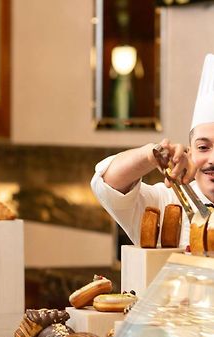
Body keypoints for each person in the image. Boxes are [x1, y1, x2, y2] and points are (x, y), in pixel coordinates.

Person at [91, 53, 214, 247]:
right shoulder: (164, 202)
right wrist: (153, 155)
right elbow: (108, 184)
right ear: (190, 153)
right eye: (203, 147)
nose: (212, 159)